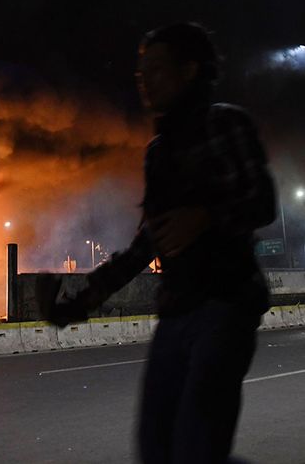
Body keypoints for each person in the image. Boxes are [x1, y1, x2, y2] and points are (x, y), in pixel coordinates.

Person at [46, 23, 276, 463]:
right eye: (140, 72)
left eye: (156, 69)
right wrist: (83, 299)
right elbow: (147, 242)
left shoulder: (226, 124)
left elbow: (262, 202)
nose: (144, 81)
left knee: (195, 448)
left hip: (226, 306)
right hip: (177, 312)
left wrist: (206, 217)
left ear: (189, 71)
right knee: (155, 448)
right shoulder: (158, 151)